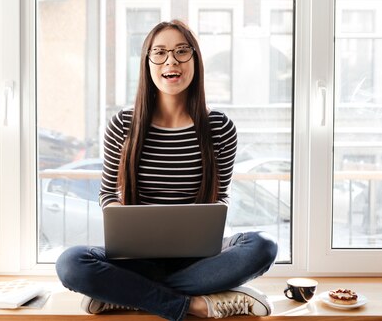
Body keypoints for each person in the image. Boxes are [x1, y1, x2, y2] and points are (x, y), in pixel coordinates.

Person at [56, 19, 278, 320]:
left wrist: (204, 227)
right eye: (159, 52)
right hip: (137, 259)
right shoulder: (123, 125)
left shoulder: (220, 128)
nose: (170, 60)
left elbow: (221, 197)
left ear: (195, 61)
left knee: (263, 246)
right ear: (147, 62)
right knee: (71, 263)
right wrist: (120, 217)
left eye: (181, 51)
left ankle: (126, 294)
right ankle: (199, 304)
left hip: (198, 260)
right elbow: (108, 192)